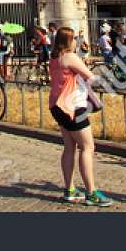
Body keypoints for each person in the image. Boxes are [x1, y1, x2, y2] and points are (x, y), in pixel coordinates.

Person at [47, 26, 111, 205]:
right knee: (87, 147)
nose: (77, 41)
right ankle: (91, 191)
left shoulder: (55, 58)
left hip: (59, 106)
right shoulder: (69, 57)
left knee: (69, 147)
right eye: (74, 38)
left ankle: (70, 189)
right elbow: (90, 77)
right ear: (68, 41)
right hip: (75, 106)